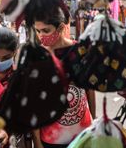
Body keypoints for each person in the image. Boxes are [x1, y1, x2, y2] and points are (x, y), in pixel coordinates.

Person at [32, 8, 96, 148]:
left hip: (83, 135)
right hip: (51, 139)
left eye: (46, 30)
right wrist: (37, 141)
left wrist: (94, 120)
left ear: (60, 27)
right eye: (38, 31)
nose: (41, 36)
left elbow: (89, 89)